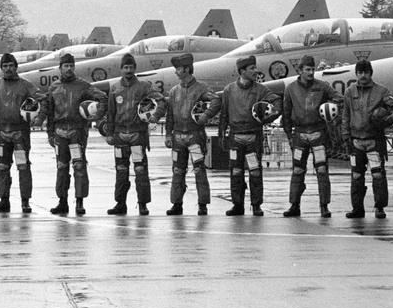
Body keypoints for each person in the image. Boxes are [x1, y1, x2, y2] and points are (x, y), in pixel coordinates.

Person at [35, 53, 108, 216]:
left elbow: (102, 97)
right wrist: (50, 134)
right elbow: (50, 112)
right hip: (60, 132)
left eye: (71, 66)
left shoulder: (83, 86)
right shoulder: (54, 87)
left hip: (77, 132)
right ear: (60, 68)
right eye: (65, 66)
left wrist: (96, 115)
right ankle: (62, 201)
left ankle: (80, 201)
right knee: (61, 167)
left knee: (79, 166)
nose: (68, 69)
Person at [340, 59, 393, 219]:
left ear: (370, 73)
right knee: (356, 176)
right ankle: (357, 209)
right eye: (360, 72)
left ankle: (380, 208)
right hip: (355, 141)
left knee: (378, 175)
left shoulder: (382, 91)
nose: (363, 76)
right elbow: (345, 115)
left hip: (375, 141)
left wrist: (387, 120)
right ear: (356, 74)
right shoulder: (349, 91)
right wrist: (345, 135)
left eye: (366, 72)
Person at [218, 55, 280, 216]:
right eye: (252, 68)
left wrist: (269, 117)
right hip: (235, 138)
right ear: (242, 71)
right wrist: (222, 136)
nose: (255, 71)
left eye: (255, 67)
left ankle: (256, 204)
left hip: (254, 137)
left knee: (255, 171)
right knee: (236, 172)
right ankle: (237, 204)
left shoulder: (261, 89)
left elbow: (277, 102)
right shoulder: (229, 90)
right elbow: (224, 115)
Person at [281, 55, 340, 218]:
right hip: (299, 134)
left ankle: (324, 206)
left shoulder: (323, 86)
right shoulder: (290, 89)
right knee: (298, 170)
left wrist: (331, 110)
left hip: (318, 133)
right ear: (299, 70)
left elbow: (338, 99)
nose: (311, 72)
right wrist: (289, 136)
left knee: (322, 169)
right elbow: (286, 114)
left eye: (312, 69)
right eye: (307, 69)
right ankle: (294, 204)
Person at [105, 53, 163, 215]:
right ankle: (120, 203)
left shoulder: (144, 87)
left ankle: (142, 204)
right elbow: (110, 113)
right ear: (121, 69)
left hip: (138, 135)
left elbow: (161, 101)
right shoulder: (115, 88)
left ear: (135, 68)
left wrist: (154, 116)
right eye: (125, 67)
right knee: (121, 171)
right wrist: (109, 133)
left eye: (131, 67)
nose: (128, 70)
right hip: (120, 135)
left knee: (140, 171)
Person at [164, 52, 220, 216]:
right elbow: (169, 115)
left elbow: (216, 100)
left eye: (178, 69)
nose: (176, 72)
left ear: (187, 69)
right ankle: (176, 203)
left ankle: (202, 204)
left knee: (199, 170)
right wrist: (168, 134)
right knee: (177, 171)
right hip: (178, 137)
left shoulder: (201, 89)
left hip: (195, 136)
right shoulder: (174, 91)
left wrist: (206, 115)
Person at [0, 53, 40, 214]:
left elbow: (41, 100)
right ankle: (4, 200)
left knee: (23, 166)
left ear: (16, 67)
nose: (8, 69)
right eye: (5, 66)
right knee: (2, 166)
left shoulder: (26, 85)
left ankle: (25, 201)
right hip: (2, 133)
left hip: (20, 133)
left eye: (11, 65)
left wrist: (37, 117)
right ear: (1, 68)